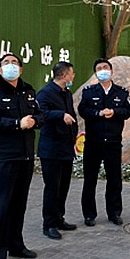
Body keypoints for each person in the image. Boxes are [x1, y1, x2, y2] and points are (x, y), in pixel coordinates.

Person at [0, 53, 44, 259]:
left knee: (19, 204)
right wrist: (17, 124)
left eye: (14, 63)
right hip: (4, 158)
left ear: (21, 69)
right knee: (1, 205)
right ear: (0, 70)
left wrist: (34, 120)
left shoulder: (28, 92)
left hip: (25, 157)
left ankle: (16, 245)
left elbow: (40, 115)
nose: (11, 66)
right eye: (6, 63)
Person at [78, 59, 130, 226]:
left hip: (113, 143)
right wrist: (98, 113)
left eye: (105, 68)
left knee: (114, 180)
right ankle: (89, 215)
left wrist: (114, 112)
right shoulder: (89, 92)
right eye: (99, 69)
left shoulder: (121, 92)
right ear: (96, 73)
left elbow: (128, 110)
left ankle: (114, 213)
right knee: (90, 180)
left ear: (111, 71)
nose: (103, 70)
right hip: (93, 143)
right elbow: (82, 110)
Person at [37, 61, 78, 240]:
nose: (73, 77)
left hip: (66, 147)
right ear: (64, 75)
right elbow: (41, 115)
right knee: (52, 187)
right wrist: (60, 115)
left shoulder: (66, 93)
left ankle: (59, 218)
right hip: (51, 149)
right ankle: (49, 224)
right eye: (71, 74)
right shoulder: (45, 93)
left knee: (63, 186)